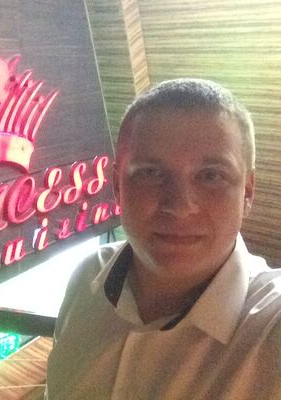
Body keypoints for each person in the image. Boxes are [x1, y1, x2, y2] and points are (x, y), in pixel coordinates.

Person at [46, 78, 281, 399]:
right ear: (118, 186)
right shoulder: (87, 276)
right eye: (151, 173)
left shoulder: (270, 326)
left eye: (211, 175)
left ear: (247, 193)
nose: (180, 206)